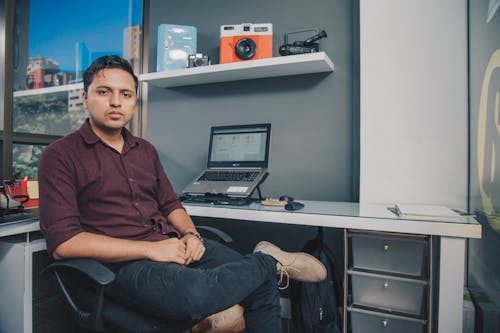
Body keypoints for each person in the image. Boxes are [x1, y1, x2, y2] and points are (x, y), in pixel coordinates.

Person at [38, 55, 326, 333]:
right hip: (125, 264)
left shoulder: (145, 150)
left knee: (259, 283)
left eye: (126, 94)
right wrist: (151, 249)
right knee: (200, 294)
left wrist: (191, 235)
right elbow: (64, 243)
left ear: (134, 101)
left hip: (173, 244)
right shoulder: (60, 155)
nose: (116, 102)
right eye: (104, 92)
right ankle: (268, 260)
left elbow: (169, 203)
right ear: (86, 98)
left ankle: (262, 264)